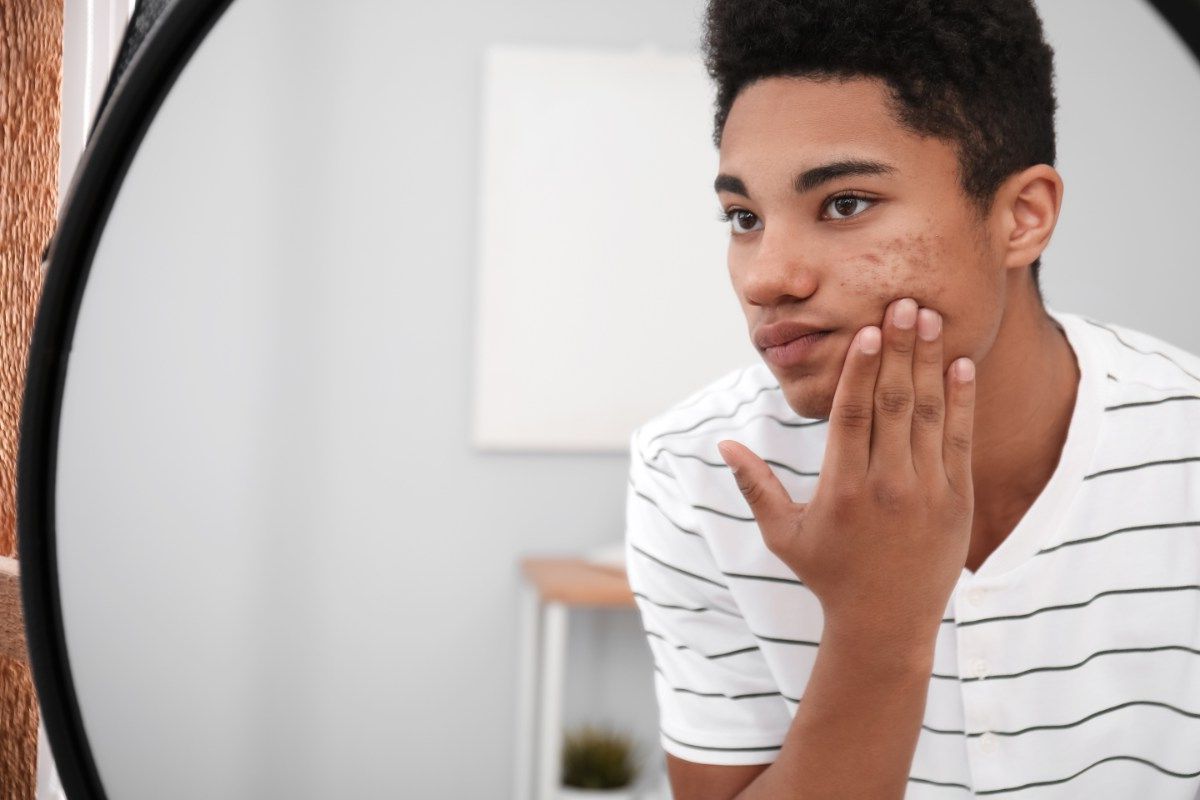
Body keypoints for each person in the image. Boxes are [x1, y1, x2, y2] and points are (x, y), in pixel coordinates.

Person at [623, 1, 1200, 798]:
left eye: (845, 204)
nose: (764, 278)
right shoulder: (696, 473)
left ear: (1022, 218)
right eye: (744, 217)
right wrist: (876, 627)